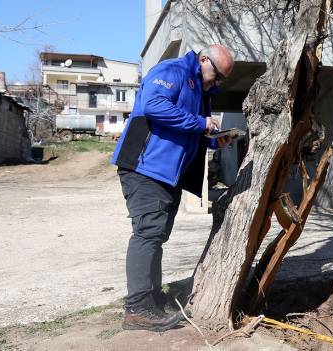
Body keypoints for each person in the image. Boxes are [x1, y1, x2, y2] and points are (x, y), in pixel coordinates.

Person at [111, 44, 235, 332]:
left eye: (221, 81)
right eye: (216, 76)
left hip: (167, 175)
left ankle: (151, 300)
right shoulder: (172, 71)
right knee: (147, 234)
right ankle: (137, 309)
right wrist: (199, 122)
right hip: (144, 168)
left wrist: (215, 140)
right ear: (204, 60)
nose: (216, 83)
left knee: (157, 236)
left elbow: (189, 133)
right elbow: (154, 106)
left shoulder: (200, 91)